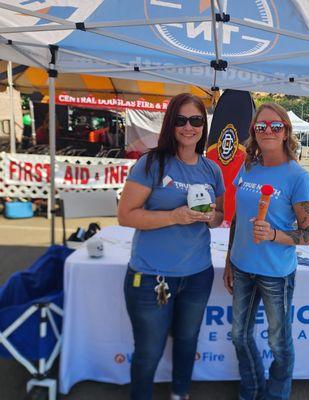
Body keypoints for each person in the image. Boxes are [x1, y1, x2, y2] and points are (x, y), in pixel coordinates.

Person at [117, 93, 225, 400]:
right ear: (170, 124)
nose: (188, 127)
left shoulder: (212, 170)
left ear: (204, 126)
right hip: (151, 277)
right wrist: (174, 216)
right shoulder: (151, 163)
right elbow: (126, 216)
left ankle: (180, 394)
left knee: (187, 341)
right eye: (181, 120)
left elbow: (219, 218)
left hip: (197, 275)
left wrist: (209, 217)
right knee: (149, 351)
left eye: (196, 120)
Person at [223, 103, 309, 400]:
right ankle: (251, 389)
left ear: (286, 131)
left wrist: (274, 234)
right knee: (239, 335)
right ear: (253, 132)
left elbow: (306, 235)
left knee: (278, 342)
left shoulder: (298, 177)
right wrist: (228, 262)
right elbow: (236, 219)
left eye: (275, 126)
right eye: (261, 126)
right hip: (241, 267)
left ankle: (276, 394)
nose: (268, 131)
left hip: (275, 273)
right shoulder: (248, 167)